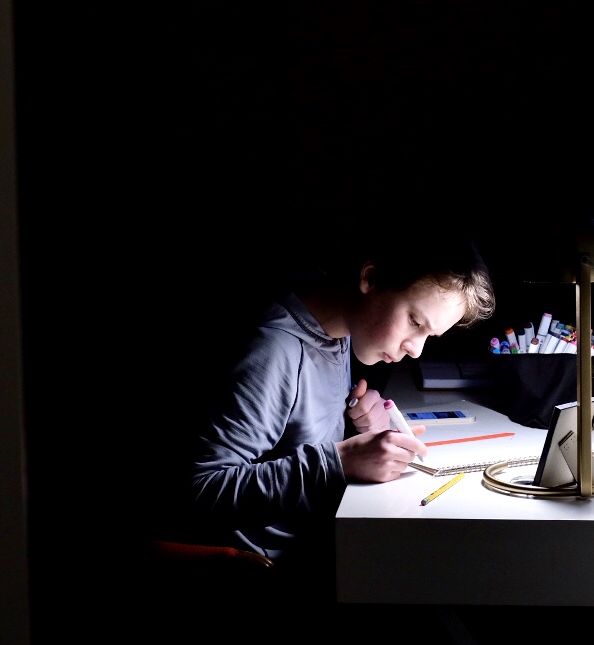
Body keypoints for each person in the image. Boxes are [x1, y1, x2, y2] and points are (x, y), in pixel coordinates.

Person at [186, 223, 496, 582]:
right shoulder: (274, 352)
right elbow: (200, 490)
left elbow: (293, 432)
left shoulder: (339, 325)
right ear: (372, 278)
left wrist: (357, 424)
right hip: (272, 573)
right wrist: (341, 461)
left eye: (429, 334)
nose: (416, 348)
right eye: (415, 321)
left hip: (327, 540)